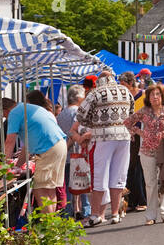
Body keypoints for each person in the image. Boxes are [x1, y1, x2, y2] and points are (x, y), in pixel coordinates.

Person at [72, 69, 135, 226]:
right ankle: (114, 214)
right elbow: (132, 113)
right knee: (118, 176)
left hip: (103, 137)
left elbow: (81, 116)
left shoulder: (96, 93)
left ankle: (95, 215)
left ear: (99, 81)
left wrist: (92, 124)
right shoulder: (126, 91)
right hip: (124, 136)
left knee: (99, 176)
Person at [5, 90, 68, 219]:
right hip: (59, 145)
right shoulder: (28, 110)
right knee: (50, 189)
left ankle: (48, 226)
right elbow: (27, 146)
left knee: (40, 188)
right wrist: (18, 165)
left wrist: (5, 165)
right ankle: (54, 227)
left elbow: (9, 141)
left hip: (49, 148)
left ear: (6, 111)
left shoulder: (14, 113)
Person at [129, 83, 164, 225]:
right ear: (148, 97)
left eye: (158, 94)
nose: (155, 97)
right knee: (150, 184)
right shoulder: (144, 111)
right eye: (152, 95)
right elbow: (128, 122)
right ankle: (150, 215)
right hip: (147, 151)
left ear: (163, 96)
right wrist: (139, 133)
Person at [57, 85, 92, 219]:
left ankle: (68, 212)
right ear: (79, 98)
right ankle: (85, 210)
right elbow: (74, 133)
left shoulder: (61, 114)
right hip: (77, 152)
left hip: (65, 156)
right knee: (83, 183)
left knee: (68, 186)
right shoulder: (79, 112)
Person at [119, 72, 147, 214]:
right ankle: (131, 200)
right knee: (129, 168)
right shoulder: (123, 98)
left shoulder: (143, 95)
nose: (121, 88)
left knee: (138, 168)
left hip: (141, 133)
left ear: (131, 83)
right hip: (127, 133)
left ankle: (142, 200)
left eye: (123, 85)